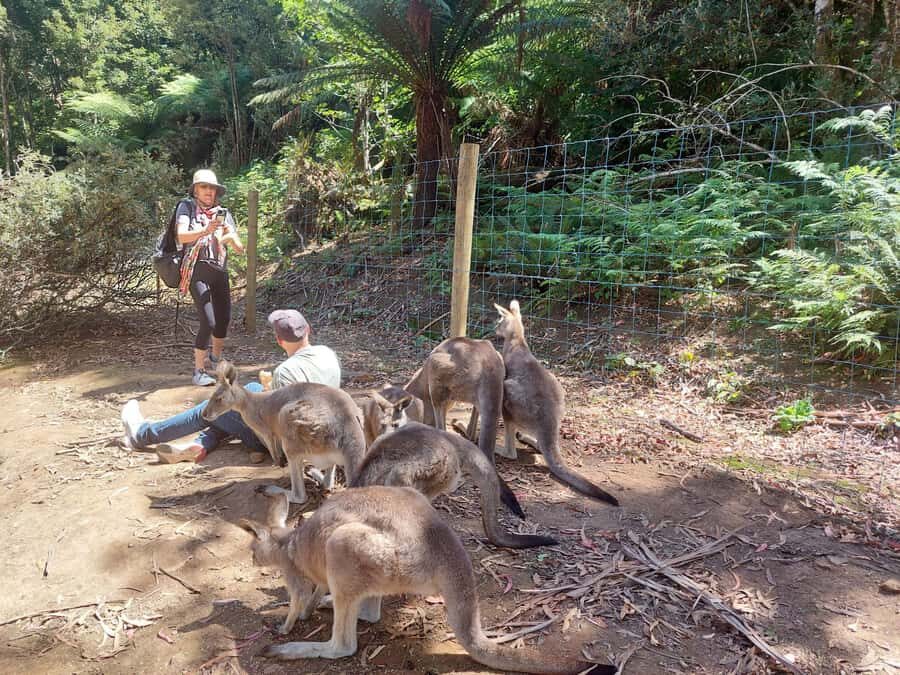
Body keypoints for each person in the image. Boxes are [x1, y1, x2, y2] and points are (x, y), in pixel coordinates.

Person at [120, 309, 341, 464]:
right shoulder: (328, 354)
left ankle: (144, 434)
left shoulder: (287, 370)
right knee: (250, 390)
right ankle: (203, 443)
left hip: (288, 443)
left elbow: (279, 425)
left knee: (213, 408)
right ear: (308, 330)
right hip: (323, 431)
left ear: (278, 340)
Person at [179, 169, 244, 386]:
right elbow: (181, 236)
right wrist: (206, 230)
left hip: (219, 270)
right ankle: (199, 370)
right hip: (197, 270)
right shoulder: (186, 208)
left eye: (212, 188)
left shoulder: (223, 213)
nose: (209, 191)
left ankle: (216, 360)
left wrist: (230, 238)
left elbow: (239, 246)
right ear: (195, 190)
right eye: (204, 187)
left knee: (223, 321)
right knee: (208, 321)